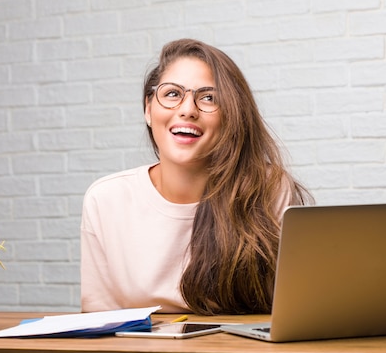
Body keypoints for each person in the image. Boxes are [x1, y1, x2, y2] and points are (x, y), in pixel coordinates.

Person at [80, 38, 312, 315]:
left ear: (231, 117)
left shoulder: (268, 188)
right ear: (148, 109)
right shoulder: (107, 198)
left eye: (208, 98)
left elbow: (290, 309)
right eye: (172, 94)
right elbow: (99, 318)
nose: (188, 109)